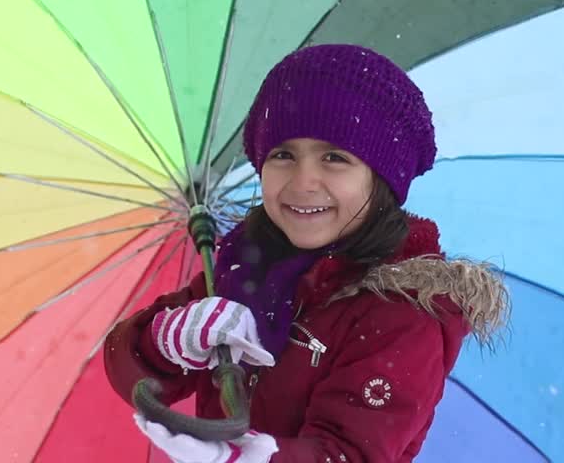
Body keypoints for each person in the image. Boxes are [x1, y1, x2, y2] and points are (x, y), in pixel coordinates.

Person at [104, 44, 509, 463]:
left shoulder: (402, 314)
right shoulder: (244, 265)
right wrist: (165, 341)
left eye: (335, 157)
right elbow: (126, 366)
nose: (303, 182)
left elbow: (348, 453)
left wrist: (245, 459)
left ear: (384, 180)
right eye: (283, 155)